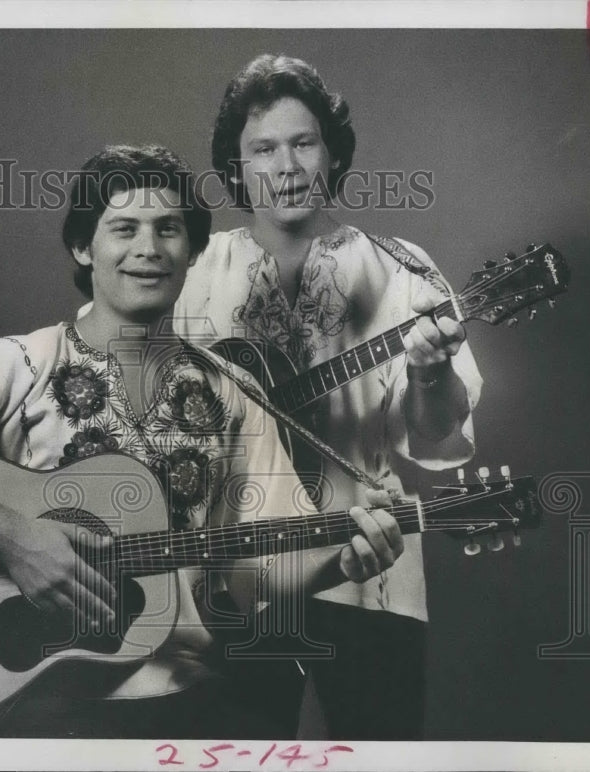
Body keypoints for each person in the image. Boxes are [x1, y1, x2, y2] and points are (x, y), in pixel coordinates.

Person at [0, 144, 405, 739]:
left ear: (194, 250)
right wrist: (14, 538)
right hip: (43, 696)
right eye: (124, 228)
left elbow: (254, 571)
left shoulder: (235, 391)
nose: (148, 249)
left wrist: (342, 556)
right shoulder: (19, 365)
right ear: (83, 247)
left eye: (169, 229)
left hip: (191, 693)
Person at [172, 55, 484, 740]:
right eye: (263, 148)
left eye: (302, 142)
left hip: (370, 570)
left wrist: (432, 375)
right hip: (234, 581)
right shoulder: (193, 274)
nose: (285, 166)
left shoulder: (402, 268)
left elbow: (435, 439)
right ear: (236, 166)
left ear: (331, 153)